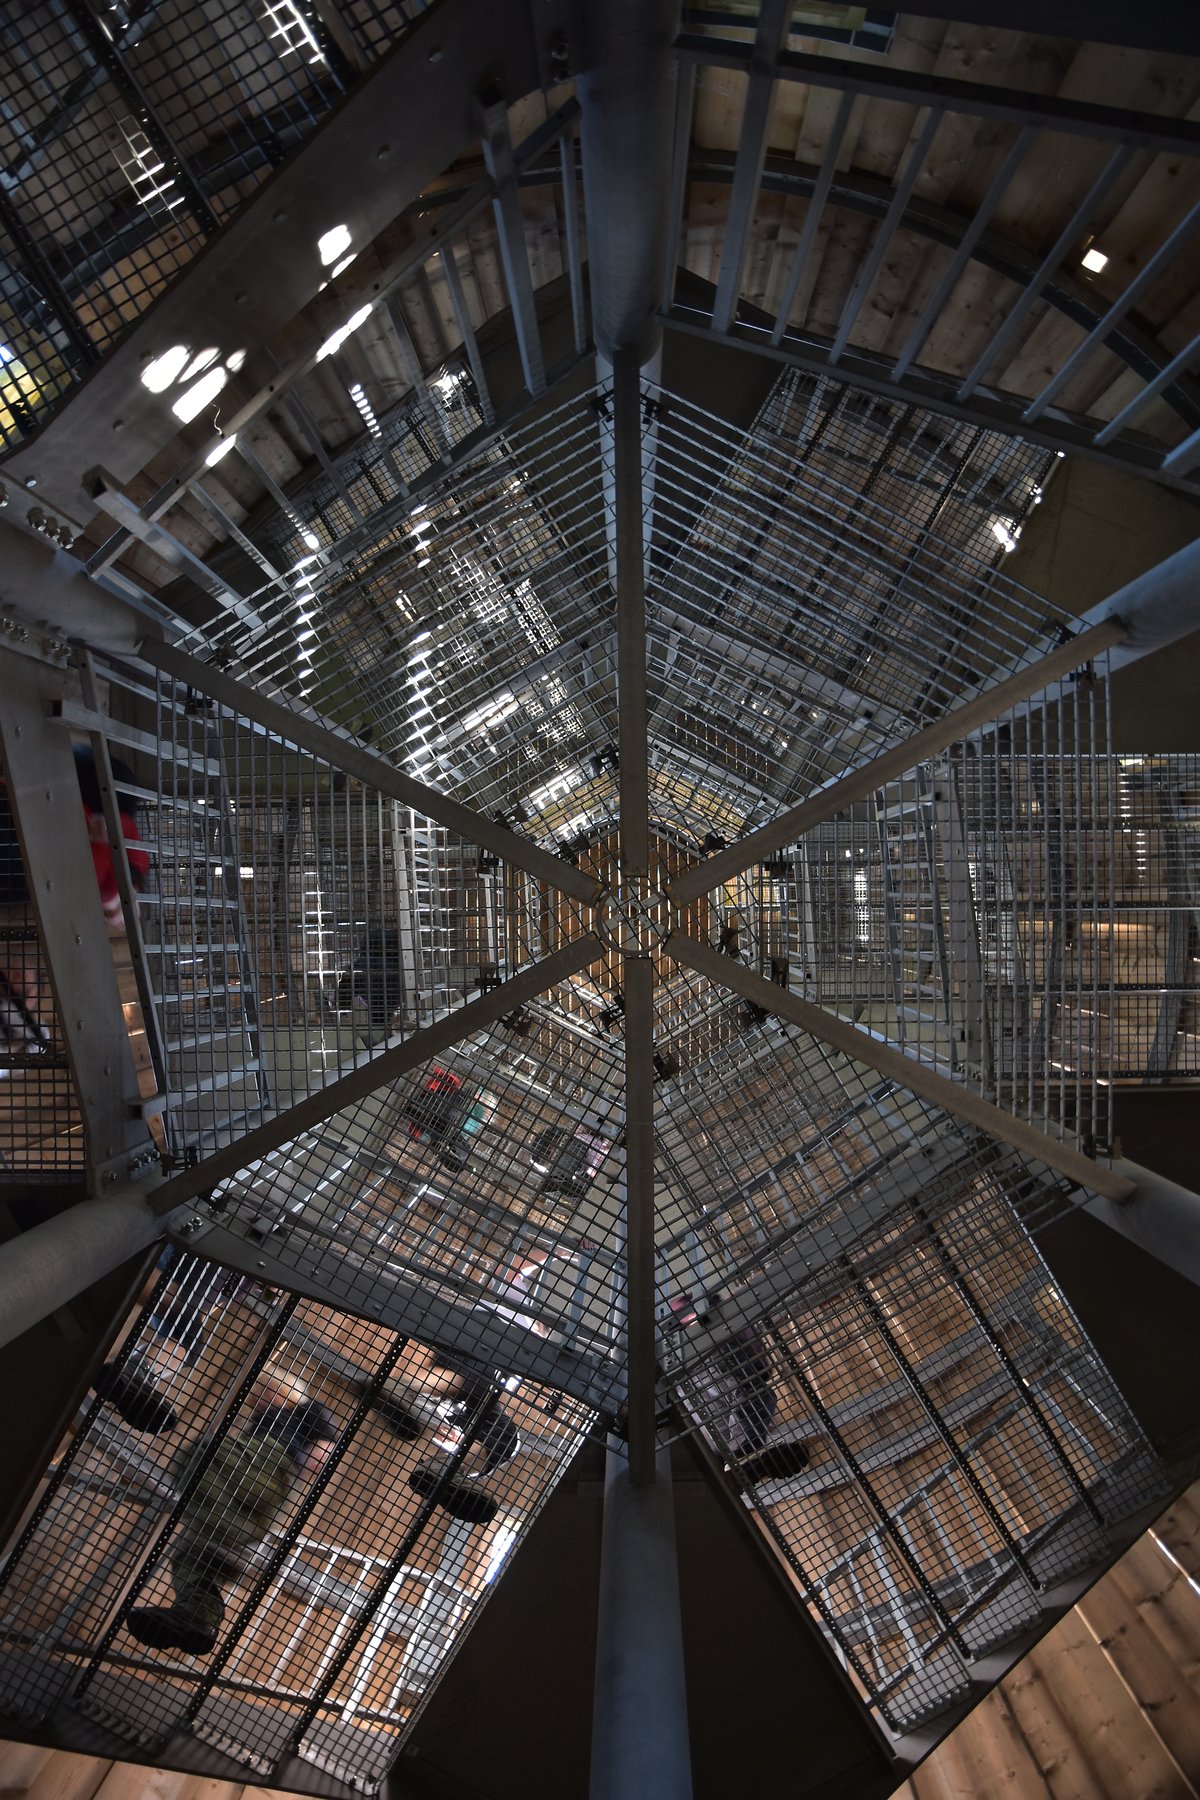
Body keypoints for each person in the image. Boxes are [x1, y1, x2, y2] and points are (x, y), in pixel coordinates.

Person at [124, 1393, 338, 1655]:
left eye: (263, 1390)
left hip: (270, 1463)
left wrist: (301, 1458)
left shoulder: (305, 1409)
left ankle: (229, 1531)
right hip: (258, 1495)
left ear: (282, 1390)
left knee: (203, 1449)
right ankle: (198, 1619)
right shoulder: (263, 1420)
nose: (256, 1400)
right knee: (189, 1555)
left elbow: (325, 1450)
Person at [669, 1294, 810, 1485]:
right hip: (709, 1364)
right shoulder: (715, 1313)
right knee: (744, 1408)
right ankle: (736, 1457)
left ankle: (734, 1458)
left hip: (699, 1371)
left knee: (735, 1419)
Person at [368, 1349, 520, 1526]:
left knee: (464, 1391)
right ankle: (447, 1467)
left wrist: (438, 1433)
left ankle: (446, 1467)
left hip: (446, 1394)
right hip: (476, 1362)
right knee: (478, 1390)